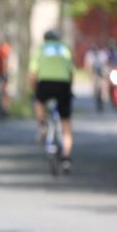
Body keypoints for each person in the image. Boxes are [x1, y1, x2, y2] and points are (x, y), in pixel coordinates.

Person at [30, 29, 76, 173]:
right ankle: (66, 159)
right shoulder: (65, 49)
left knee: (38, 101)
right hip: (63, 85)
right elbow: (71, 72)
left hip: (46, 84)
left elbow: (33, 73)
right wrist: (69, 88)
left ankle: (42, 125)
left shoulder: (41, 49)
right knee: (66, 124)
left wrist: (34, 90)